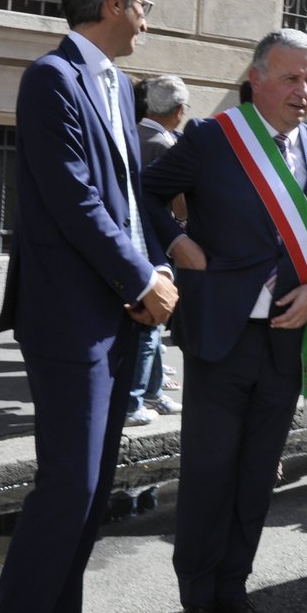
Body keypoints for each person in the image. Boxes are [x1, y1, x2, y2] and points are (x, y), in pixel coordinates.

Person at [0, 0, 177, 613]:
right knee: (67, 483)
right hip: (70, 313)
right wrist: (141, 278)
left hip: (118, 309)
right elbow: (73, 198)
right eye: (143, 2)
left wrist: (156, 263)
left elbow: (129, 200)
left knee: (94, 488)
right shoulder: (51, 79)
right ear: (110, 2)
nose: (147, 16)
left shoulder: (118, 85)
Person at [142, 28, 307, 613]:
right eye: (292, 79)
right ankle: (195, 601)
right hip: (221, 335)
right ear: (257, 78)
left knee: (258, 474)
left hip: (290, 338)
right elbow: (144, 193)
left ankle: (234, 590)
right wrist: (177, 244)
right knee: (210, 471)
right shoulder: (214, 139)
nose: (305, 91)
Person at [128, 74, 190, 426]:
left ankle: (151, 391)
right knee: (151, 324)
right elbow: (179, 205)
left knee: (150, 324)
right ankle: (136, 399)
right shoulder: (165, 144)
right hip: (156, 246)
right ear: (179, 110)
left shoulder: (133, 132)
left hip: (136, 240)